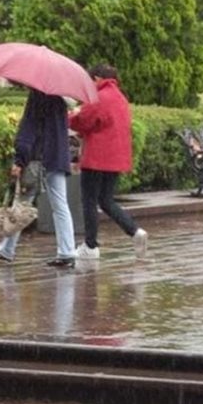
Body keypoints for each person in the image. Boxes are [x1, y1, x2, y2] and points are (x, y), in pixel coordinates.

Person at [0, 88, 77, 267]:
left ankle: (7, 250)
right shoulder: (61, 98)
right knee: (60, 205)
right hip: (57, 156)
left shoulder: (38, 95)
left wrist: (19, 160)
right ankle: (67, 251)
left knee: (21, 204)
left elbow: (28, 130)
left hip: (38, 158)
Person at [68, 64, 148, 260]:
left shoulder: (98, 97)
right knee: (106, 200)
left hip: (96, 158)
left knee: (88, 201)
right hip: (115, 159)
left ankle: (90, 246)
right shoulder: (120, 98)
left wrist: (70, 116)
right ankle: (135, 231)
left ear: (96, 79)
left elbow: (85, 121)